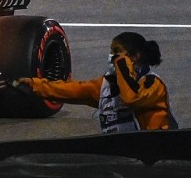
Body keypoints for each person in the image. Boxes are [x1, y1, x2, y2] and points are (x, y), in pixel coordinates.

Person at [13, 32, 178, 133]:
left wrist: (121, 65)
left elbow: (131, 97)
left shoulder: (153, 84)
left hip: (159, 157)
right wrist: (33, 85)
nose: (111, 56)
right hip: (125, 158)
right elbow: (71, 90)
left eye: (117, 52)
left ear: (134, 57)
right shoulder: (105, 86)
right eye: (111, 51)